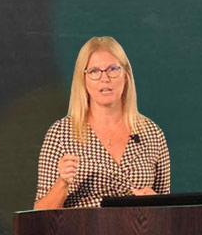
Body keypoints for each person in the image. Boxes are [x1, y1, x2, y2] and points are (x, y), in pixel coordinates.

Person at [34, 36, 170, 209]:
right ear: (83, 79)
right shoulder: (61, 133)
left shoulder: (151, 133)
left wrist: (154, 201)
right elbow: (39, 214)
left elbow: (168, 211)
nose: (105, 78)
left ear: (126, 76)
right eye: (94, 71)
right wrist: (62, 183)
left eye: (113, 69)